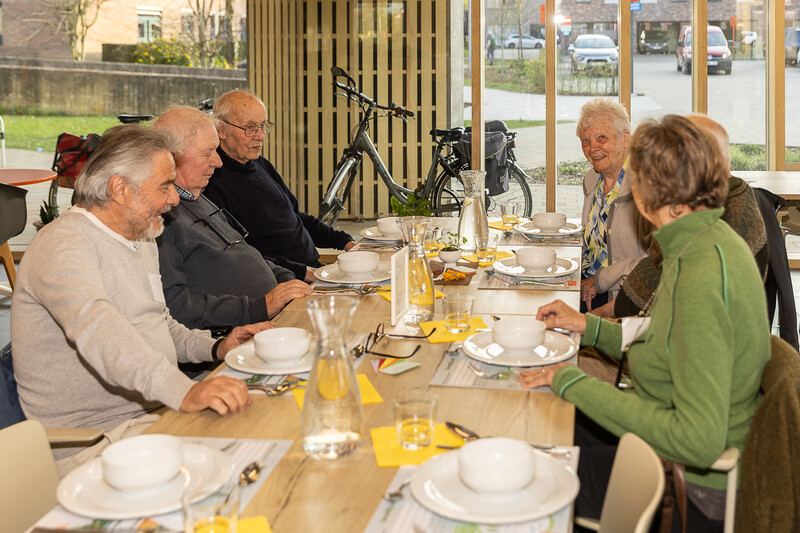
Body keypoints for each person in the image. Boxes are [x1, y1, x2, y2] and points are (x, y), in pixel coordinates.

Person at [519, 115, 771, 532]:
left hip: (691, 489)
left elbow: (698, 440)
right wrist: (588, 327)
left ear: (645, 192)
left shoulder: (702, 272)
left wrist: (572, 381)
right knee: (544, 429)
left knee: (528, 470)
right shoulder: (703, 241)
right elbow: (670, 334)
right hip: (662, 432)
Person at [11, 125, 271, 472]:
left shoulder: (142, 236)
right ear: (120, 188)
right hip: (95, 441)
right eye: (164, 186)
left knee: (267, 425)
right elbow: (101, 334)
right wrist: (183, 391)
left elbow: (157, 322)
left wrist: (215, 347)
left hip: (151, 415)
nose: (175, 199)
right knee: (246, 461)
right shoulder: (63, 245)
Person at [593, 113, 769, 319]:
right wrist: (598, 317)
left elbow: (670, 324)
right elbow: (653, 274)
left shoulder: (722, 229)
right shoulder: (698, 206)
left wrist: (598, 327)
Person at [153, 107, 311, 330]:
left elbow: (244, 253)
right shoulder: (157, 220)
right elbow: (175, 308)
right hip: (237, 333)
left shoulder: (199, 197)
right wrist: (260, 306)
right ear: (171, 158)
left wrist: (286, 280)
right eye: (208, 153)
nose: (218, 162)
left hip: (278, 312)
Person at [204, 90, 355, 283]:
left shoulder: (260, 163)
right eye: (250, 128)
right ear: (221, 130)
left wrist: (345, 242)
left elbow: (296, 217)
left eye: (263, 126)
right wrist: (301, 272)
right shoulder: (212, 182)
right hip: (282, 281)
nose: (260, 136)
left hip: (312, 270)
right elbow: (239, 254)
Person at [577, 98, 650, 312]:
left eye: (602, 137)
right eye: (585, 140)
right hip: (586, 287)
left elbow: (657, 261)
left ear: (625, 138)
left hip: (624, 299)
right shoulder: (592, 180)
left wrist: (599, 280)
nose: (592, 148)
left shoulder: (646, 185)